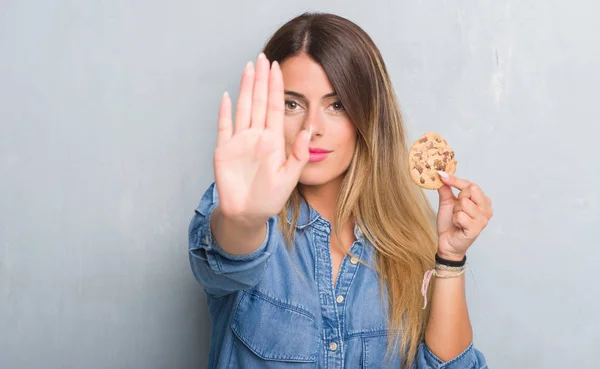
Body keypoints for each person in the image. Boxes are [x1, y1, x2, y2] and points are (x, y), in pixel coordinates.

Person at [188, 12, 493, 368]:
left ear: (368, 116)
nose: (312, 127)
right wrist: (246, 220)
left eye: (337, 105)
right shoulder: (239, 210)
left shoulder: (408, 244)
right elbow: (226, 261)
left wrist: (449, 259)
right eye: (292, 104)